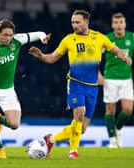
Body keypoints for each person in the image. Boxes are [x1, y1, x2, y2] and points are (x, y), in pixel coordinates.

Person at [28, 10, 132, 159]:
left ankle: (50, 139)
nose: (74, 25)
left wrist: (124, 56)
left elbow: (115, 50)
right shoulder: (68, 40)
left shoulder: (99, 37)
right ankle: (73, 151)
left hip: (92, 87)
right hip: (76, 83)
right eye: (73, 22)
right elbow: (52, 58)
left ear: (86, 22)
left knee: (81, 128)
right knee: (79, 112)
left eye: (77, 22)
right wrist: (41, 56)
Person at [0, 19, 50, 159]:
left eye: (10, 35)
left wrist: (42, 37)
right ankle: (0, 149)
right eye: (5, 35)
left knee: (15, 124)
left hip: (7, 90)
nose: (8, 38)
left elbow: (37, 34)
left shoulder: (16, 40)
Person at [98, 13, 134, 148]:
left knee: (128, 110)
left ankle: (117, 129)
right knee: (110, 110)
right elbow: (95, 58)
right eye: (116, 22)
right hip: (110, 79)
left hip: (126, 79)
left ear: (125, 24)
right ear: (112, 25)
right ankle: (112, 141)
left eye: (121, 22)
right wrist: (98, 74)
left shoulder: (132, 37)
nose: (119, 25)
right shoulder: (107, 39)